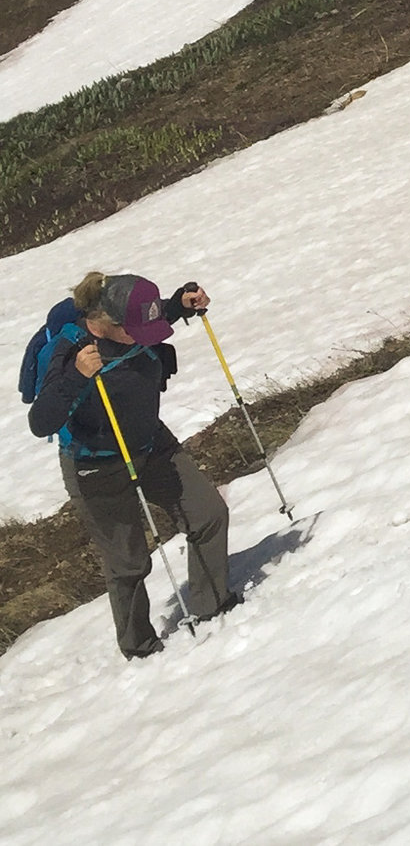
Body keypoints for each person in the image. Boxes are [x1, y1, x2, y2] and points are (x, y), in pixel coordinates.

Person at [25, 270, 233, 655]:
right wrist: (76, 376)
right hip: (96, 466)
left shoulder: (129, 325)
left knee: (208, 514)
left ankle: (212, 604)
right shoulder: (73, 351)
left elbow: (150, 322)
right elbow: (41, 422)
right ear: (107, 323)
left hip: (152, 444)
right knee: (129, 563)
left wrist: (178, 305)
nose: (147, 336)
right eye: (138, 328)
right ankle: (139, 647)